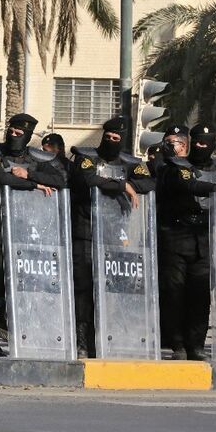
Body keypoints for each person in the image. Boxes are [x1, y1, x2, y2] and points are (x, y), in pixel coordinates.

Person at [156, 123, 216, 361]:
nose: (201, 146)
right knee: (175, 291)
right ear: (190, 143)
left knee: (200, 294)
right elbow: (190, 184)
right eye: (197, 142)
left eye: (206, 143)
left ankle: (196, 344)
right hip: (176, 236)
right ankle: (177, 343)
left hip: (205, 238)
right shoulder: (179, 166)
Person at [0, 113, 67, 356]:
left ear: (28, 136)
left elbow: (61, 179)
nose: (14, 136)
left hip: (26, 226)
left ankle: (18, 332)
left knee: (22, 281)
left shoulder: (36, 158)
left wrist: (30, 175)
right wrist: (34, 186)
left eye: (20, 133)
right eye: (12, 131)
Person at [69, 115, 155, 357]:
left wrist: (126, 182)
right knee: (83, 289)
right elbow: (88, 179)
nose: (111, 141)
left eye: (116, 138)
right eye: (108, 137)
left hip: (113, 234)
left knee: (109, 287)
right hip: (85, 232)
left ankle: (105, 337)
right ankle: (81, 340)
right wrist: (122, 186)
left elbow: (148, 183)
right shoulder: (87, 158)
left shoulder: (129, 162)